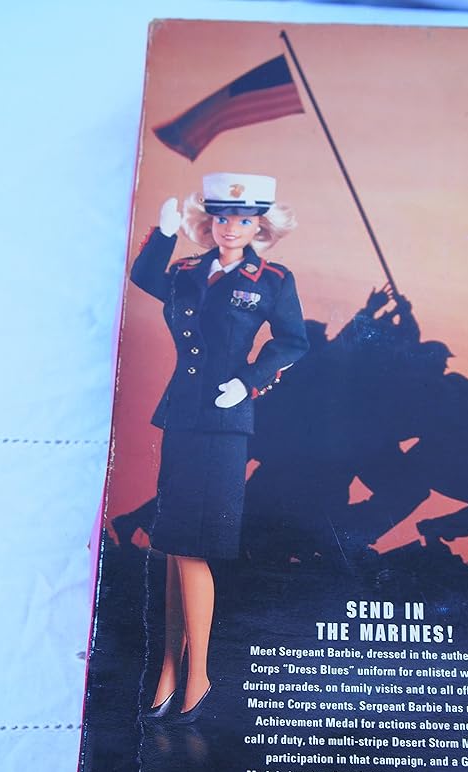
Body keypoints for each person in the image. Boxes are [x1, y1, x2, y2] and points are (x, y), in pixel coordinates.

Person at [129, 172, 308, 722]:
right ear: (209, 222)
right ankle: (168, 668)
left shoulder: (272, 278)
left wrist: (250, 380)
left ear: (260, 227)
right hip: (182, 415)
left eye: (244, 219)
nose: (232, 228)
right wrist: (162, 236)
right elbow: (145, 278)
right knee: (173, 543)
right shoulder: (187, 271)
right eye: (223, 218)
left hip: (225, 424)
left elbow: (293, 342)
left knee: (192, 545)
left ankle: (199, 674)